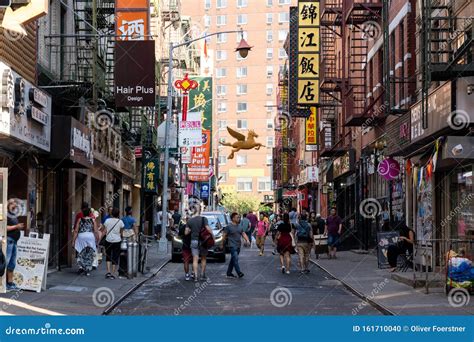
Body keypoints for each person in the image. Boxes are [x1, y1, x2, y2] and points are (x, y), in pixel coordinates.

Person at [186, 206, 213, 281]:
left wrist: (192, 230)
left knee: (195, 259)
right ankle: (202, 274)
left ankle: (195, 276)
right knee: (203, 258)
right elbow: (207, 228)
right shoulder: (204, 219)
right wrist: (212, 235)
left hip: (194, 241)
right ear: (200, 211)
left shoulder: (190, 221)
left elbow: (186, 232)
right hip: (203, 241)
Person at [72, 204, 99, 276]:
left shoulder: (80, 220)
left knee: (80, 251)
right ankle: (87, 268)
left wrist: (73, 241)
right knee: (89, 252)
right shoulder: (93, 220)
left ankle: (81, 267)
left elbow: (76, 231)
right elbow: (96, 231)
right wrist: (97, 239)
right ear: (90, 213)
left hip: (81, 236)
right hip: (90, 236)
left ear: (83, 213)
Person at [5, 199, 25, 291]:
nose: (15, 205)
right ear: (8, 204)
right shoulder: (5, 214)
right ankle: (3, 283)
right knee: (6, 262)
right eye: (13, 203)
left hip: (14, 241)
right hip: (9, 240)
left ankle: (10, 283)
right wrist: (16, 227)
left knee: (12, 264)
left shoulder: (13, 215)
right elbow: (4, 227)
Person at [223, 213, 250, 278]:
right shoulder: (228, 227)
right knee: (235, 258)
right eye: (237, 217)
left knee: (233, 259)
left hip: (238, 246)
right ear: (233, 218)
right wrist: (222, 244)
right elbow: (224, 236)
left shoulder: (240, 226)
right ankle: (239, 272)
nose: (239, 219)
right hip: (232, 246)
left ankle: (229, 273)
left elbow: (243, 234)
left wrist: (247, 240)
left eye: (239, 217)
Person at [103, 208, 124, 279]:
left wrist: (99, 239)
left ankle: (108, 272)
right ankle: (113, 273)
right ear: (118, 214)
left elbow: (104, 231)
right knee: (115, 257)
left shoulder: (107, 220)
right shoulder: (120, 222)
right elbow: (121, 232)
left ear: (111, 213)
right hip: (117, 241)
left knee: (108, 256)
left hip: (108, 240)